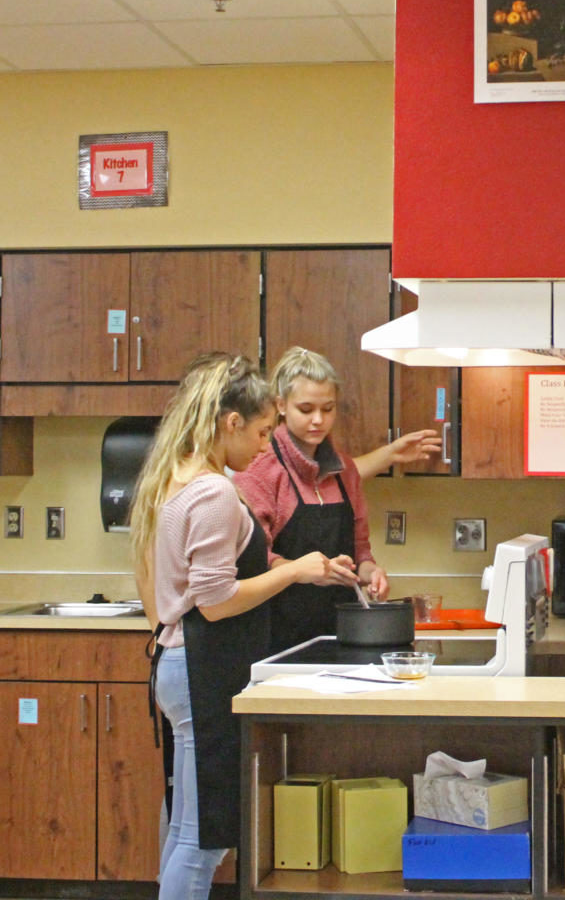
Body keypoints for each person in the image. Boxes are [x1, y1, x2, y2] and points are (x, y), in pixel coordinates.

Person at [133, 353, 360, 900]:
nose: (265, 447)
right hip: (201, 670)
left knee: (188, 828)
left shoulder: (180, 477)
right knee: (205, 838)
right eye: (261, 432)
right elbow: (214, 602)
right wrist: (298, 571)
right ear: (230, 423)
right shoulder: (212, 493)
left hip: (185, 665)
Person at [234, 346, 441, 652]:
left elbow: (361, 553)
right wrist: (300, 570)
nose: (318, 420)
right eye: (305, 409)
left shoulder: (345, 472)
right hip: (275, 639)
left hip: (341, 636)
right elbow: (253, 560)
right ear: (280, 405)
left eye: (328, 409)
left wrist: (372, 573)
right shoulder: (260, 471)